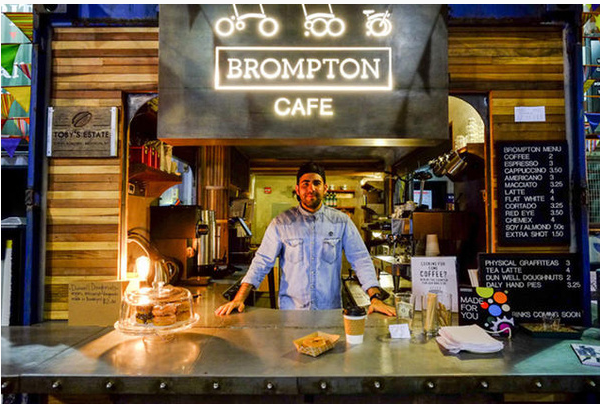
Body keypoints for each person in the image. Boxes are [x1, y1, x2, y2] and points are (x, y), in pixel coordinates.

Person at [215, 162, 395, 317]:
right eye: (305, 184)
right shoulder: (281, 223)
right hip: (291, 315)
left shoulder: (341, 221)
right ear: (298, 189)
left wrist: (375, 298)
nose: (311, 189)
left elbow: (360, 259)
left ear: (325, 188)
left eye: (316, 183)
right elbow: (262, 261)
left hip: (329, 314)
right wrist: (239, 299)